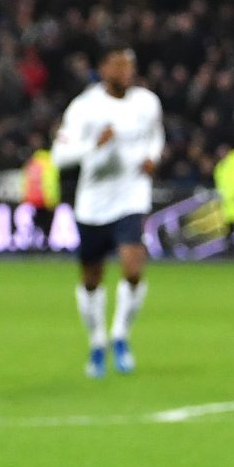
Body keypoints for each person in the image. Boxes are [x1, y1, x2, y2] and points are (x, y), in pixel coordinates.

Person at [52, 44, 163, 376]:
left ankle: (120, 336)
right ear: (102, 69)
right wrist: (94, 145)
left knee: (133, 267)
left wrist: (152, 158)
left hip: (132, 195)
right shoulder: (84, 107)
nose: (125, 71)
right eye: (118, 64)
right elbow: (59, 156)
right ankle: (97, 341)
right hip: (93, 203)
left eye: (129, 64)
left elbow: (156, 136)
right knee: (91, 279)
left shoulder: (147, 102)